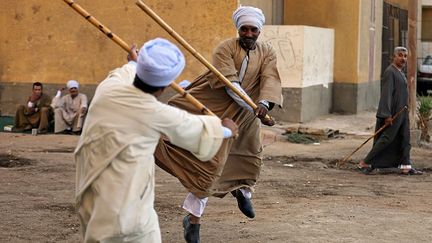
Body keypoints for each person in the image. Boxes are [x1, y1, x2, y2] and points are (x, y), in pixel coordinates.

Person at [74, 38, 238, 243]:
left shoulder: (108, 89)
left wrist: (133, 62)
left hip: (90, 195)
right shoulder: (155, 112)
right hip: (126, 210)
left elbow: (123, 73)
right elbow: (197, 130)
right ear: (165, 86)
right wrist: (226, 130)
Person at [153, 6, 282, 242]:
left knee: (250, 157)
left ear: (259, 31)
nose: (249, 34)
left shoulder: (267, 51)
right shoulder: (225, 48)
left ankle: (242, 191)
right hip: (215, 110)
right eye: (245, 29)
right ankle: (193, 221)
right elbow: (229, 84)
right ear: (239, 29)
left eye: (254, 29)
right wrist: (253, 106)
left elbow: (270, 78)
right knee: (210, 167)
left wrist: (264, 103)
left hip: (248, 115)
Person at [357, 46, 423, 175]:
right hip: (394, 113)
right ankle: (365, 162)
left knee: (405, 138)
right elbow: (386, 94)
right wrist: (386, 115)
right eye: (400, 55)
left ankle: (406, 166)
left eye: (405, 56)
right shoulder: (390, 72)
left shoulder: (400, 73)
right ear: (393, 57)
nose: (403, 58)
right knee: (386, 138)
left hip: (403, 112)